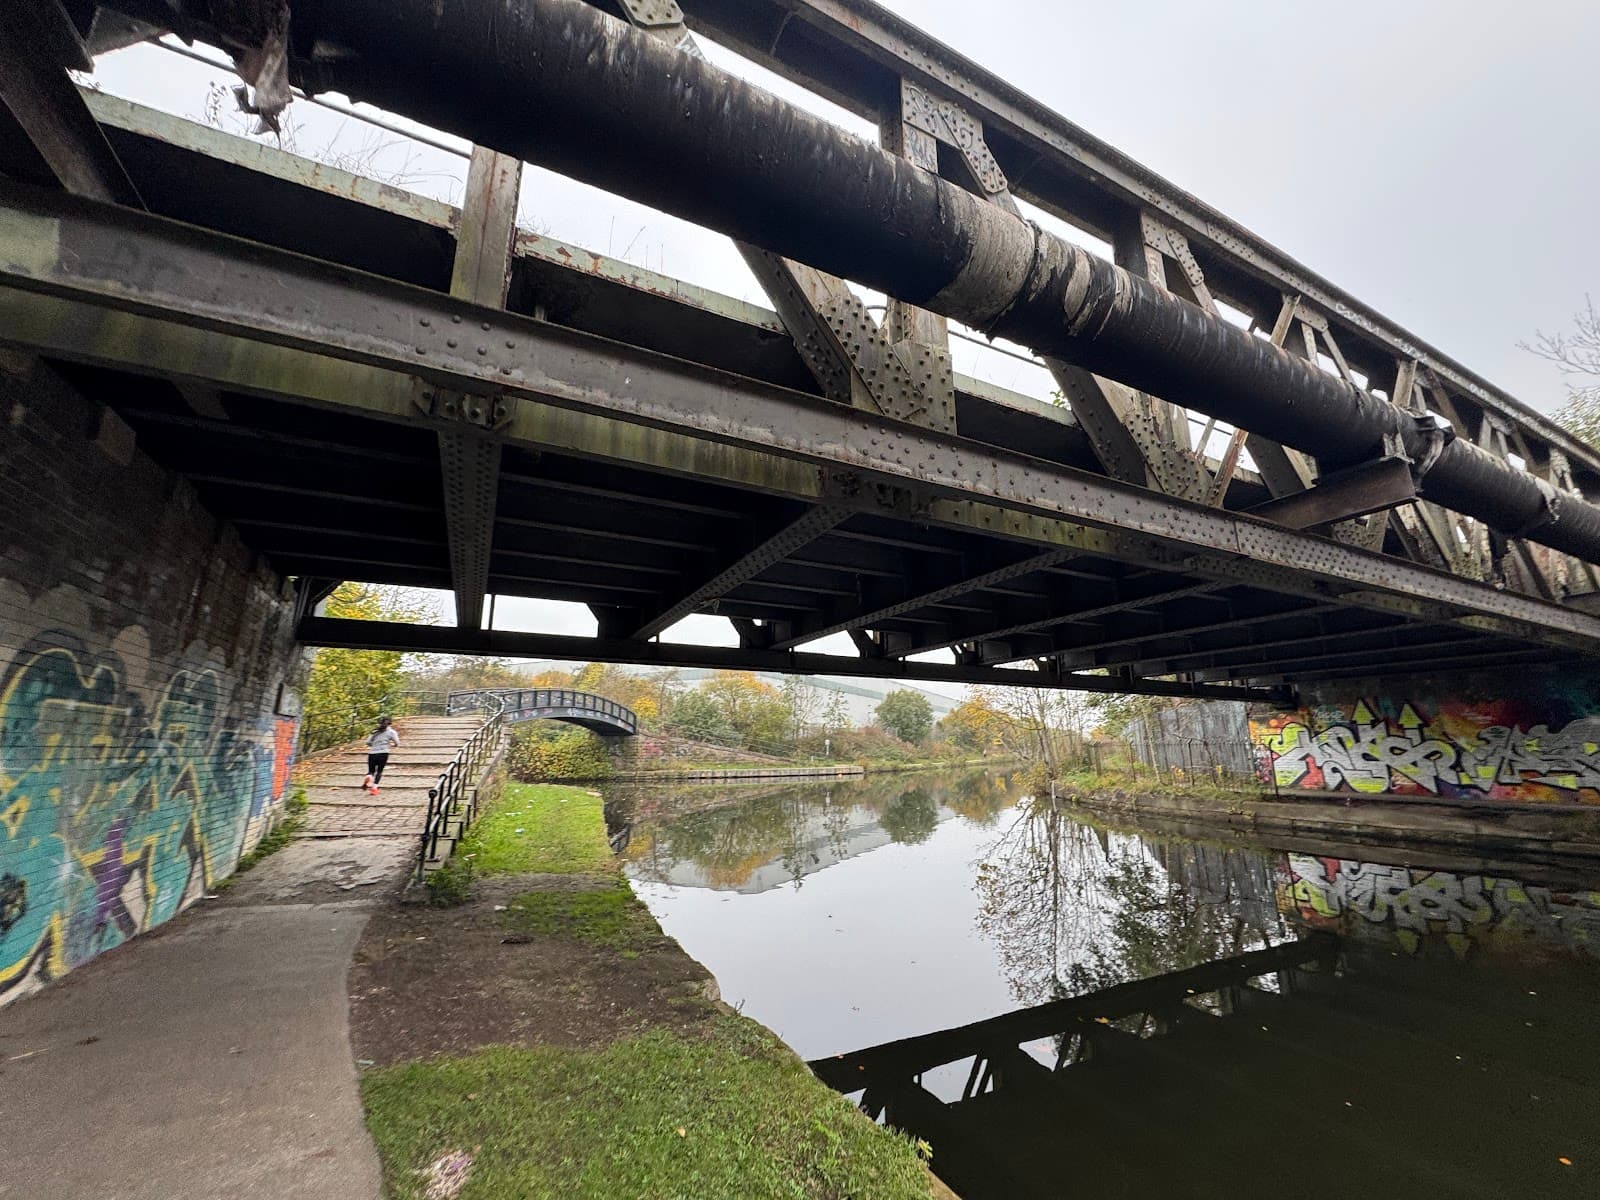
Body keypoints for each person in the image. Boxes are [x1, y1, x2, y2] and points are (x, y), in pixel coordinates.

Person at [363, 716, 400, 795]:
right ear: (390, 723)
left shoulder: (374, 731)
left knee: (371, 770)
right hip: (384, 753)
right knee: (379, 771)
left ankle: (369, 776)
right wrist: (392, 745)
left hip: (372, 753)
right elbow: (397, 743)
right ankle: (374, 788)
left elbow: (368, 742)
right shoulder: (391, 732)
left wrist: (374, 744)